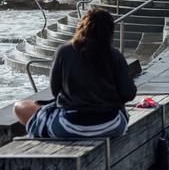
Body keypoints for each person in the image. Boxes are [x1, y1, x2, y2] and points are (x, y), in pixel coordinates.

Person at [13, 8, 136, 138]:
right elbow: (129, 93)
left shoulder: (64, 52)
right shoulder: (115, 55)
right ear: (109, 32)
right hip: (111, 126)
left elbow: (56, 91)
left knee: (20, 106)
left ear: (81, 27)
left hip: (70, 126)